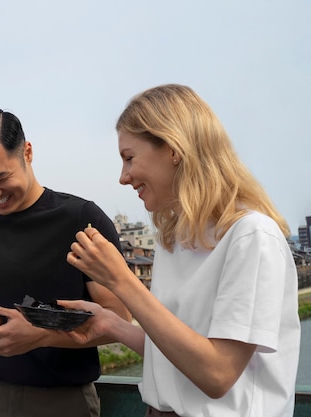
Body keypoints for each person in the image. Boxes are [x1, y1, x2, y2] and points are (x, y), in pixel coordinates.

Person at [61, 84, 301, 416]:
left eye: (129, 158)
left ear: (173, 148)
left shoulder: (251, 236)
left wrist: (123, 282)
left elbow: (217, 374)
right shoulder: (174, 238)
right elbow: (181, 358)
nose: (123, 177)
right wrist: (113, 326)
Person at [0, 106, 131, 417]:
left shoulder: (81, 219)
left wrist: (43, 336)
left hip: (64, 400)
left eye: (0, 177)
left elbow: (120, 319)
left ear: (28, 152)